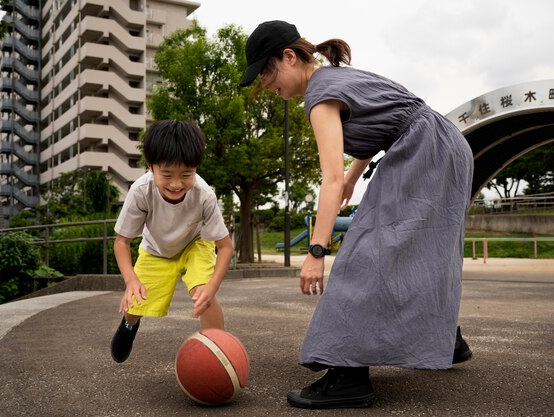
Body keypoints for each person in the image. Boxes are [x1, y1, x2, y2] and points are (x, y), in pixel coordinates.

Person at [240, 21, 474, 409]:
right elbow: (387, 120)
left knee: (365, 255)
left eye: (266, 71)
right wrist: (352, 178)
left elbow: (327, 180)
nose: (264, 83)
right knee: (423, 253)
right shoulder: (332, 78)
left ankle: (347, 376)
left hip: (422, 147)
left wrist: (316, 252)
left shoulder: (319, 95)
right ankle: (444, 339)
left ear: (289, 57)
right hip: (444, 143)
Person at [110, 119, 233, 363]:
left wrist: (211, 288)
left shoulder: (204, 194)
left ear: (196, 168)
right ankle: (129, 324)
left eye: (186, 174)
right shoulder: (140, 191)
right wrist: (131, 280)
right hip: (156, 249)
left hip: (195, 244)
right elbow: (121, 242)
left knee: (202, 295)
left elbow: (225, 246)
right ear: (150, 167)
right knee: (136, 305)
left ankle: (219, 351)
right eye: (167, 174)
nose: (176, 184)